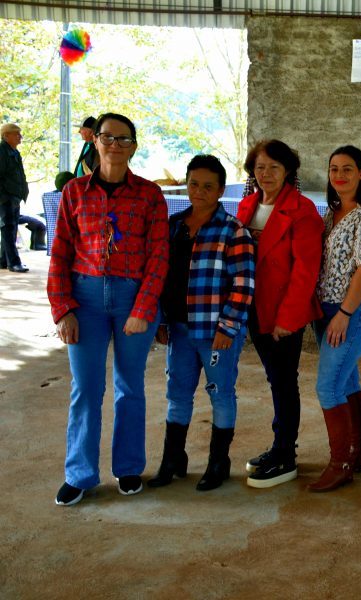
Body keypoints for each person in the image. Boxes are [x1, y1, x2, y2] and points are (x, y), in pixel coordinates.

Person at [48, 113, 169, 506]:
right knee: (85, 388)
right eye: (107, 137)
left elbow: (158, 257)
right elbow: (61, 251)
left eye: (123, 139)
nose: (114, 145)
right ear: (94, 142)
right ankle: (80, 473)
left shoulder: (150, 195)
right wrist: (62, 308)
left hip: (133, 298)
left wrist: (144, 307)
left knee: (129, 386)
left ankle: (129, 467)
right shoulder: (75, 193)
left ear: (133, 146)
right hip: (83, 300)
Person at [148, 155, 255, 492]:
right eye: (194, 184)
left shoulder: (233, 231)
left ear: (222, 190)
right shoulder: (173, 226)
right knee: (177, 395)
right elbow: (161, 276)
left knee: (220, 394)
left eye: (209, 186)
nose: (199, 191)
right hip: (178, 329)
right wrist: (160, 321)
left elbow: (243, 284)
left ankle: (218, 462)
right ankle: (172, 459)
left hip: (215, 332)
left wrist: (228, 327)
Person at [236, 139, 323, 489]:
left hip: (282, 314)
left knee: (284, 381)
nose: (266, 173)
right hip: (253, 309)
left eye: (273, 167)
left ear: (288, 170)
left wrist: (288, 318)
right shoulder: (246, 206)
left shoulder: (302, 211)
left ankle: (286, 452)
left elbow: (306, 271)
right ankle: (279, 447)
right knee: (275, 379)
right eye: (260, 167)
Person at [309, 146, 361, 492]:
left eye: (347, 169)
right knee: (347, 383)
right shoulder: (330, 214)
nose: (339, 175)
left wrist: (344, 313)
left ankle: (341, 463)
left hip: (353, 311)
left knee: (327, 387)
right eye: (333, 169)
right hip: (325, 311)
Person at [0, 123, 30, 273]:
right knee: (8, 228)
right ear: (6, 136)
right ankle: (14, 262)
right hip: (5, 197)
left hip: (14, 196)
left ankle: (3, 260)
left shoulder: (14, 152)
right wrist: (4, 197)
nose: (20, 137)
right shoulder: (1, 151)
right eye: (16, 134)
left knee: (10, 228)